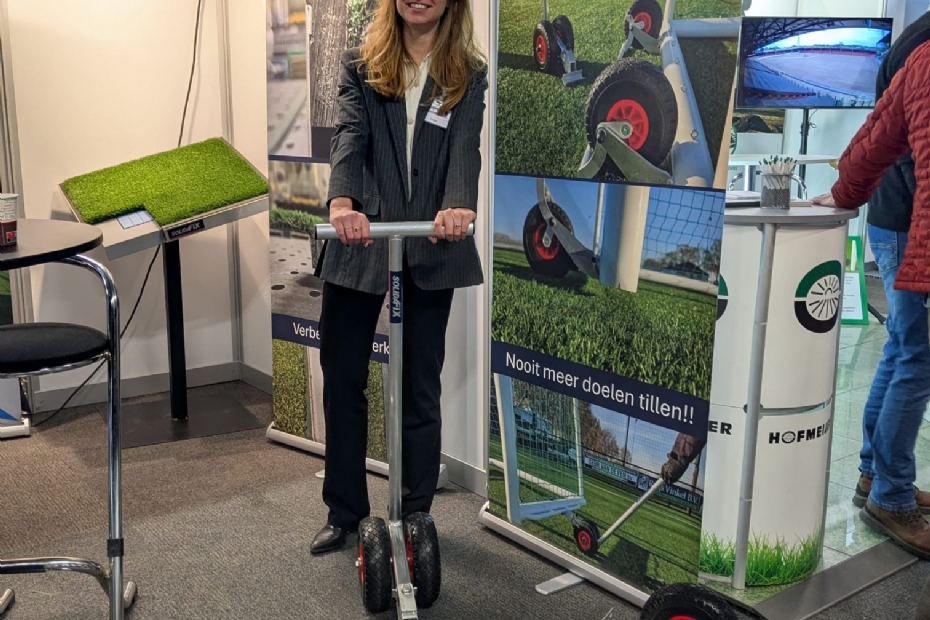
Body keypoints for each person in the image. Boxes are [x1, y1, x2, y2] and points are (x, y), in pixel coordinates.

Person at [309, 0, 488, 555]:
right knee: (343, 378)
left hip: (430, 242)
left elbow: (465, 147)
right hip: (361, 238)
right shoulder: (360, 65)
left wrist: (459, 204)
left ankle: (415, 519)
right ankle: (345, 511)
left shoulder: (467, 73)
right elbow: (349, 135)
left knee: (419, 387)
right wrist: (342, 202)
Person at [812, 38, 930, 559]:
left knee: (905, 352)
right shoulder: (920, 51)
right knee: (915, 358)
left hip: (895, 217)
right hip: (907, 224)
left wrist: (845, 192)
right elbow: (884, 135)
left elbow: (876, 133)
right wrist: (844, 193)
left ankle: (875, 475)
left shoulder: (916, 48)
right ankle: (890, 494)